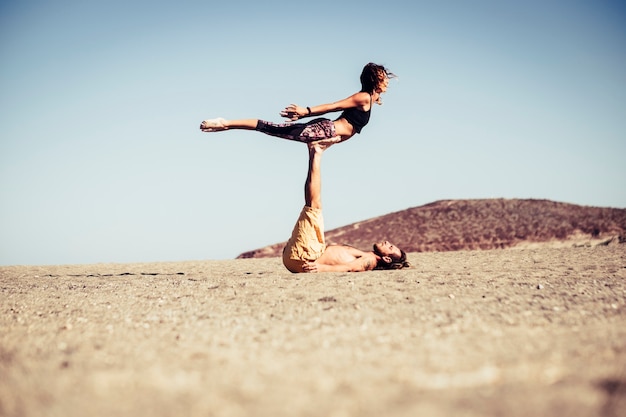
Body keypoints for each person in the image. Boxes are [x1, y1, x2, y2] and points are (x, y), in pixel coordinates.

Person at [283, 140, 409, 273]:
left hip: (305, 257)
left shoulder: (369, 260)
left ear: (387, 259)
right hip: (303, 254)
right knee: (313, 207)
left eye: (390, 248)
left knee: (314, 206)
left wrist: (321, 268)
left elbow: (350, 268)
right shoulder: (367, 254)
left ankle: (316, 152)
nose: (387, 242)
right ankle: (314, 152)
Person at [199, 63, 396, 145]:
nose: (386, 81)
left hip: (326, 133)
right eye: (383, 78)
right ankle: (225, 123)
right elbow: (334, 105)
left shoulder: (371, 98)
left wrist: (379, 97)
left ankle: (226, 124)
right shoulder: (362, 97)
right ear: (374, 81)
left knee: (272, 128)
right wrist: (305, 111)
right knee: (270, 127)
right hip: (324, 131)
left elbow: (374, 99)